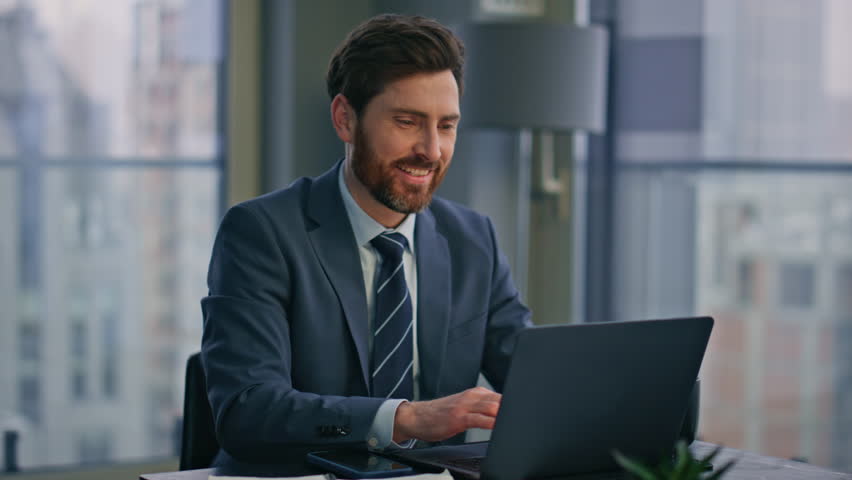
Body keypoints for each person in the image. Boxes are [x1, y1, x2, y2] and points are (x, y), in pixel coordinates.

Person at [201, 13, 532, 465]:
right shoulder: (261, 233)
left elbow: (535, 381)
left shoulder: (474, 239)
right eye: (407, 121)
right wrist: (405, 419)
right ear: (345, 120)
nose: (431, 150)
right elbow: (248, 411)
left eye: (446, 126)